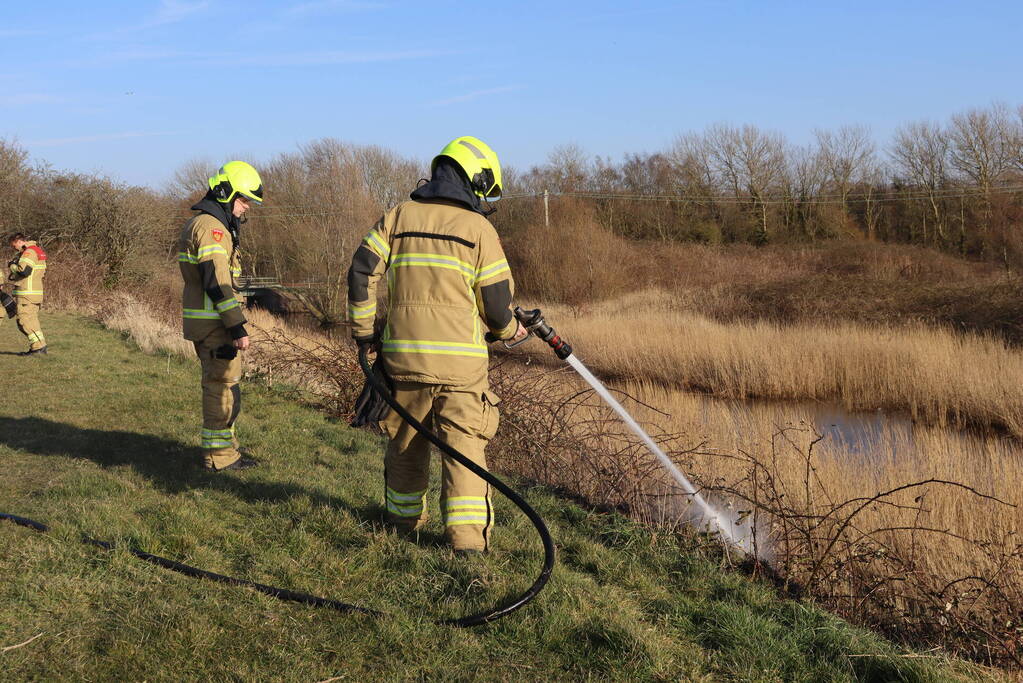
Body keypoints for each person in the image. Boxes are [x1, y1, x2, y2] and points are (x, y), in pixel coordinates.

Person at [347, 136, 527, 554]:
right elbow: (498, 307)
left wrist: (363, 333)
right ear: (475, 179)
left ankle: (400, 524)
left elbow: (361, 272)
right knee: (464, 451)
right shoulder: (479, 229)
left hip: (403, 361)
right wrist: (508, 332)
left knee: (406, 445)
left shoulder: (398, 216)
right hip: (461, 371)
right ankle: (467, 545)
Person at [176, 161, 263, 471]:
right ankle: (219, 458)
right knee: (221, 389)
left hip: (212, 323)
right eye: (243, 200)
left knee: (227, 387)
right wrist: (237, 326)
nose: (246, 208)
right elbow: (217, 282)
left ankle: (228, 451)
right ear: (226, 194)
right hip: (216, 326)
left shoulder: (211, 226)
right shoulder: (212, 229)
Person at [7, 232, 48, 356]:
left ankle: (38, 347)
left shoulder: (29, 252)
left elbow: (24, 271)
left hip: (27, 293)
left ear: (19, 241)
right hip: (35, 292)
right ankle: (39, 347)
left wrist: (12, 266)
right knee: (32, 321)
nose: (14, 248)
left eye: (14, 245)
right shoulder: (37, 250)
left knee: (23, 320)